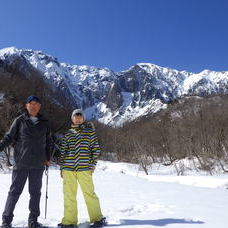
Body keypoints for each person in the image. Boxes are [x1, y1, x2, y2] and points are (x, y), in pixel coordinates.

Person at [0, 95, 52, 228]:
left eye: (36, 103)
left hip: (38, 164)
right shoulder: (19, 121)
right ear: (26, 106)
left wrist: (48, 158)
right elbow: (9, 137)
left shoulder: (44, 122)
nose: (33, 106)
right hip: (21, 163)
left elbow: (49, 142)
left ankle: (33, 221)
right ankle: (6, 221)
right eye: (31, 103)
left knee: (35, 194)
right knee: (14, 192)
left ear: (39, 106)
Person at [58, 109, 106, 228]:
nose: (78, 118)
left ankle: (97, 219)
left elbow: (95, 150)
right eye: (76, 116)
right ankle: (69, 221)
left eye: (80, 116)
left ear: (83, 118)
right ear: (72, 118)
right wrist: (62, 168)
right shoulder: (68, 133)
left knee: (89, 193)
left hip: (84, 168)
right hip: (68, 169)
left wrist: (92, 164)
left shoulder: (90, 132)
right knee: (69, 195)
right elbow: (63, 152)